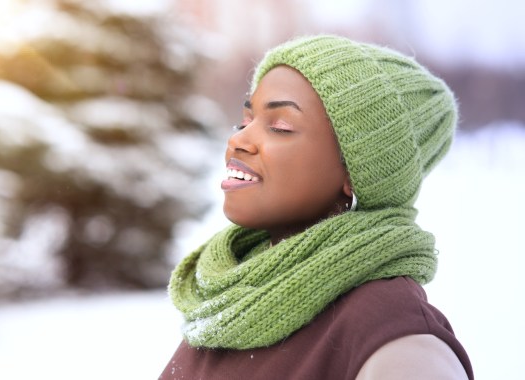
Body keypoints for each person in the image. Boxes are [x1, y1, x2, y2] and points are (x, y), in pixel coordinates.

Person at [159, 35, 473, 380]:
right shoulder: (227, 302)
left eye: (279, 126)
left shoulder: (397, 338)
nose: (238, 140)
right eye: (245, 122)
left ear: (356, 172)